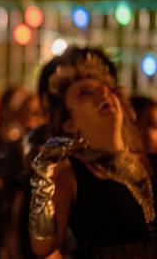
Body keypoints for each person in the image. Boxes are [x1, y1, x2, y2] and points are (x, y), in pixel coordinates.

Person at [28, 47, 157, 258]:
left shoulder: (151, 162)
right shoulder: (70, 173)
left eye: (106, 89)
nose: (103, 93)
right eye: (85, 92)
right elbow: (43, 247)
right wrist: (43, 174)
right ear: (69, 123)